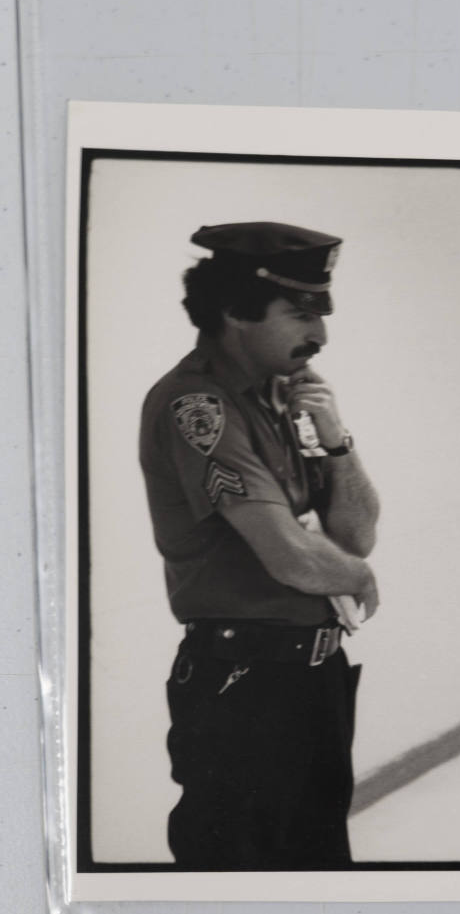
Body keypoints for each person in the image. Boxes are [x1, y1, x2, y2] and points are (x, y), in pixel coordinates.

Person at [138, 221, 381, 868]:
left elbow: (355, 534)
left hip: (310, 674)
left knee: (320, 860)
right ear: (235, 311)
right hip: (243, 686)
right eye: (300, 313)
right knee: (240, 872)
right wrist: (357, 577)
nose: (321, 334)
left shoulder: (279, 397)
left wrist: (335, 438)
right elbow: (294, 556)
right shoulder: (198, 406)